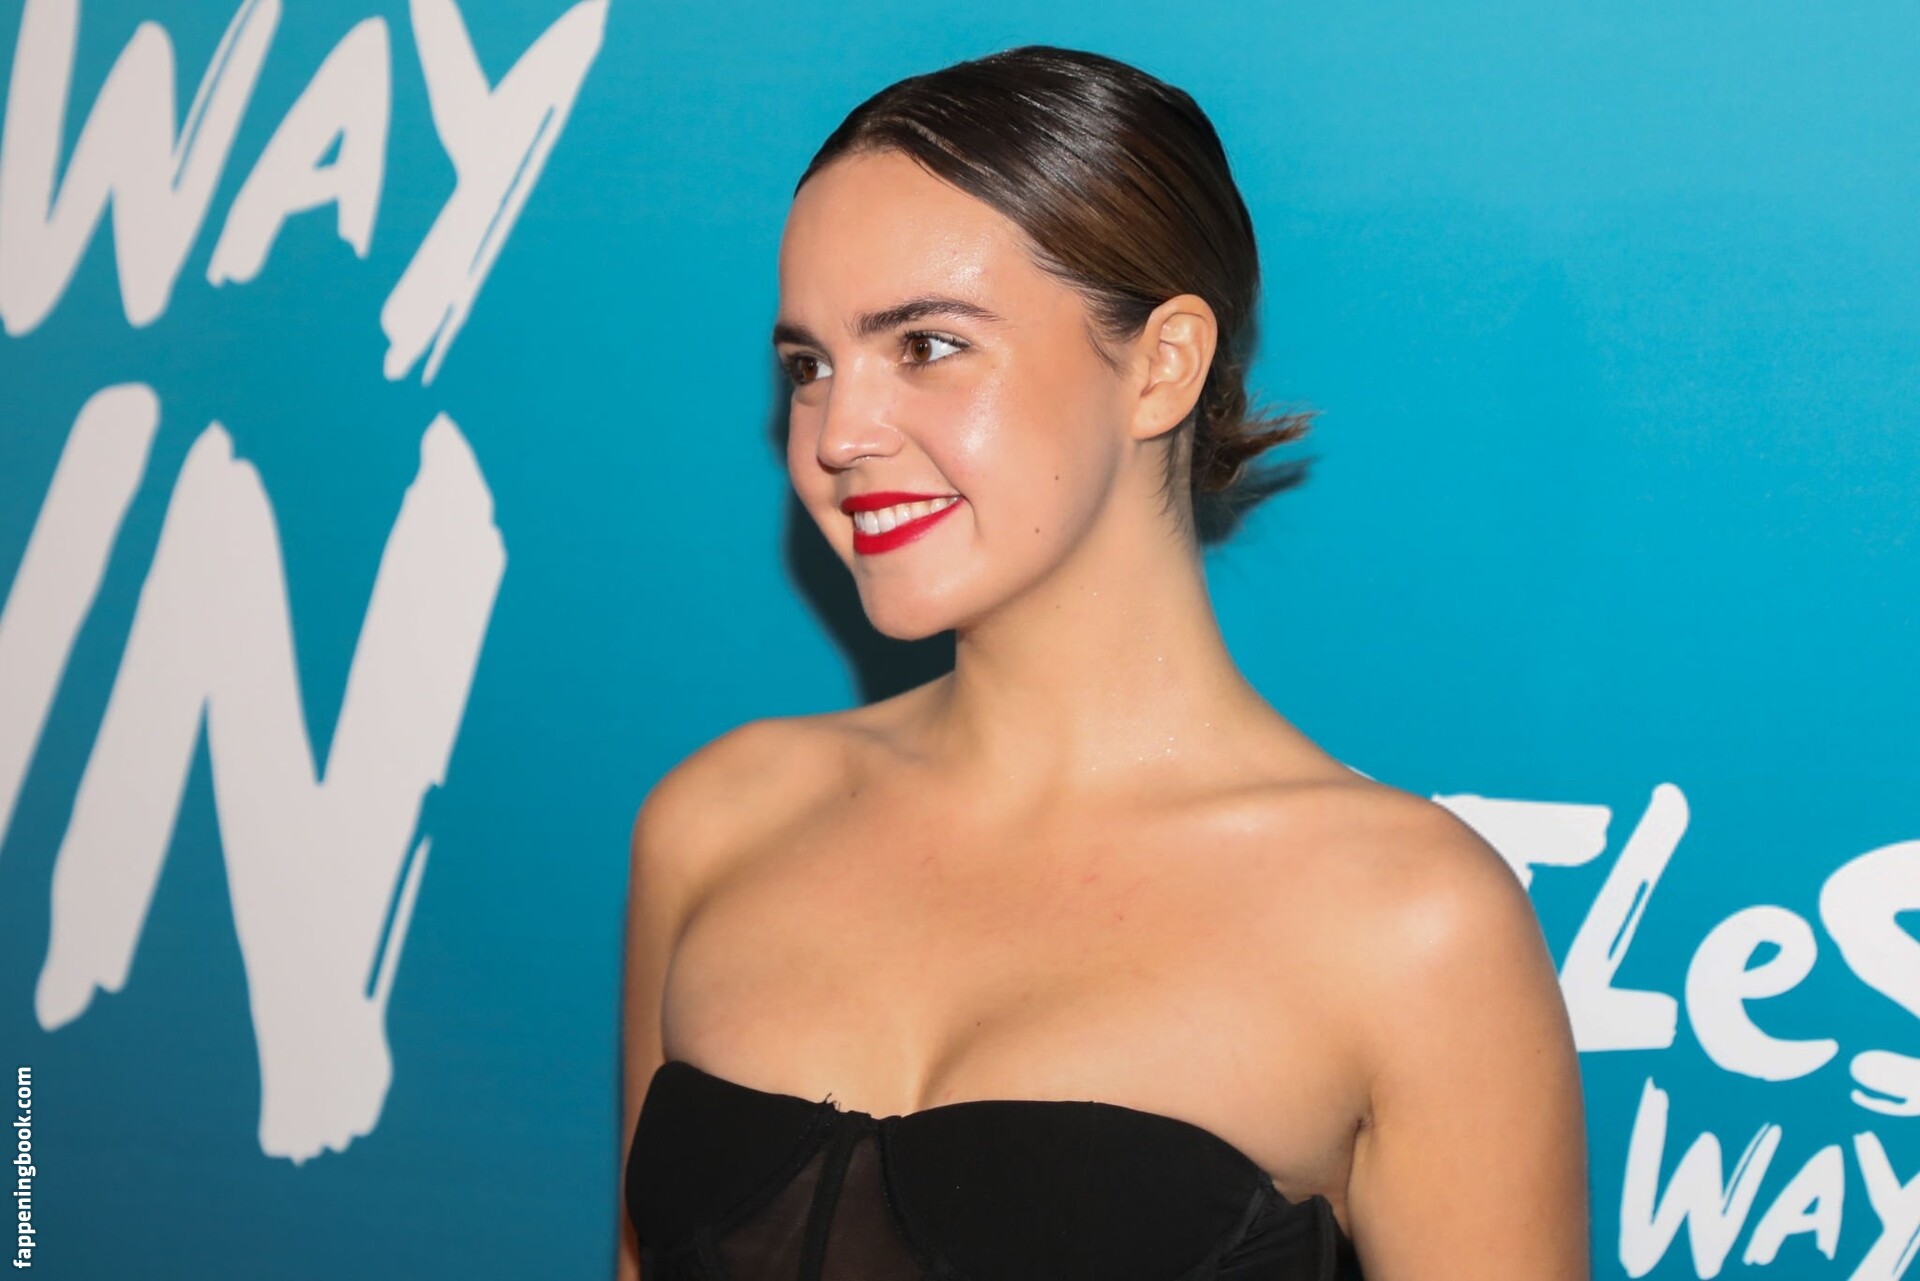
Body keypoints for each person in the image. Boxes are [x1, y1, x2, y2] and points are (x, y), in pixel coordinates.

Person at [616, 45, 1589, 1281]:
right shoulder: (719, 824)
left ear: (1161, 365)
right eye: (808, 366)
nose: (838, 435)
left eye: (927, 346)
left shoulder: (1408, 926)